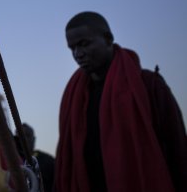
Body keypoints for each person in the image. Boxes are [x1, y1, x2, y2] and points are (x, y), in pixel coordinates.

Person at [55, 11, 187, 191]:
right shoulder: (73, 98)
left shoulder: (148, 86)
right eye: (72, 49)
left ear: (108, 39)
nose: (78, 54)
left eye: (84, 44)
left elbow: (177, 150)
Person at [15, 123, 54, 192]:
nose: (24, 139)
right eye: (20, 136)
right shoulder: (8, 161)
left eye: (27, 135)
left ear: (34, 139)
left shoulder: (48, 161)